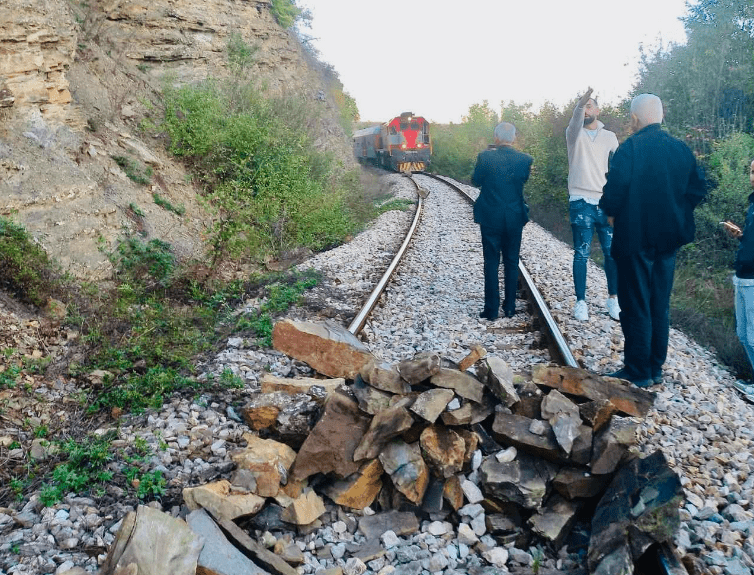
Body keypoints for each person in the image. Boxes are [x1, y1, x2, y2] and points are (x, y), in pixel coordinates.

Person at [599, 94, 707, 387]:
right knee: (660, 302)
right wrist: (678, 211)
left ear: (635, 118)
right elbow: (698, 188)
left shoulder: (630, 149)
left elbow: (615, 191)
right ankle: (655, 367)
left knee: (636, 303)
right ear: (661, 116)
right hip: (669, 239)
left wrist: (610, 212)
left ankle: (638, 370)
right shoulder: (681, 149)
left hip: (635, 237)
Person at [566, 87, 620, 321]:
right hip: (580, 201)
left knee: (611, 253)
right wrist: (580, 103)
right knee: (581, 253)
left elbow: (619, 167)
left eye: (590, 106)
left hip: (604, 202)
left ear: (598, 110)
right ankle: (581, 302)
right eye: (582, 106)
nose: (586, 110)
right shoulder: (573, 133)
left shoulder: (609, 137)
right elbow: (577, 117)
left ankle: (613, 300)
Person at [471, 122, 533, 320]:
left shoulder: (485, 157)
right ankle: (509, 308)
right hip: (514, 216)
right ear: (513, 138)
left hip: (490, 216)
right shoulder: (525, 160)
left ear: (496, 138)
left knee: (491, 261)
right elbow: (522, 181)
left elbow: (476, 181)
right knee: (512, 261)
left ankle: (491, 310)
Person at [725, 159, 754, 401]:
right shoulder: (752, 204)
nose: (753, 176)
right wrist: (740, 235)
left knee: (753, 335)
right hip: (742, 276)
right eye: (752, 171)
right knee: (743, 334)